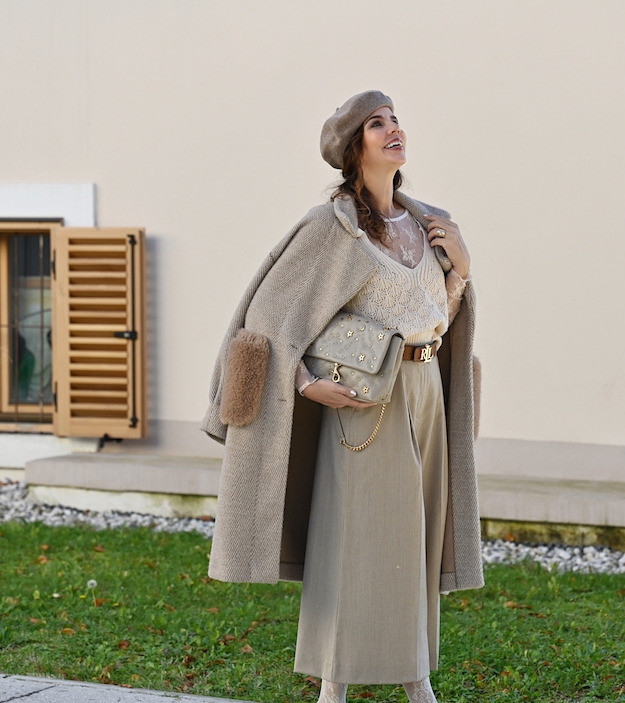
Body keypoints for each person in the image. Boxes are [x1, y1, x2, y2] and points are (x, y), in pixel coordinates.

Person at [200, 90, 483, 703]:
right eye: (376, 124)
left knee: (417, 538)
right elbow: (270, 317)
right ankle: (335, 685)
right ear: (354, 149)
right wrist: (306, 383)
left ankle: (415, 678)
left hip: (426, 389)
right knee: (354, 538)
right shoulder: (330, 227)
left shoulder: (431, 223)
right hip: (363, 396)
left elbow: (436, 315)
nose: (393, 129)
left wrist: (460, 267)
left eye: (395, 119)